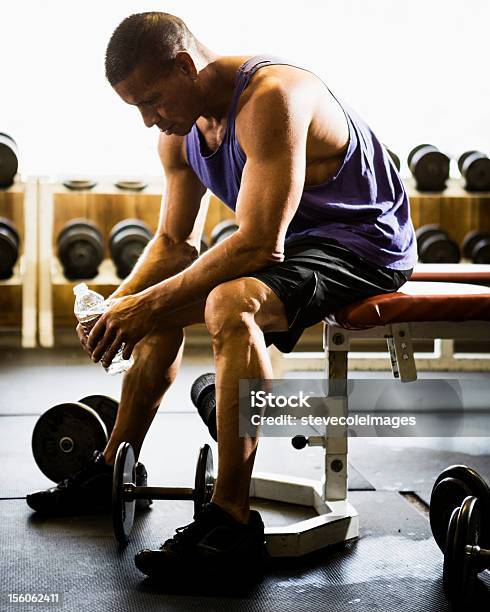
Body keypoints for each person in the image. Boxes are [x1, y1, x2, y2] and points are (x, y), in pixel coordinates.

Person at [27, 11, 417, 583]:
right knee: (156, 307)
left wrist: (146, 303)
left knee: (229, 302)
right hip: (293, 245)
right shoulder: (180, 136)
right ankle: (109, 468)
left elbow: (260, 243)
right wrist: (120, 308)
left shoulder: (273, 97)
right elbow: (171, 243)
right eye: (135, 107)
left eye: (153, 101)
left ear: (186, 65)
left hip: (360, 245)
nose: (147, 120)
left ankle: (231, 521)